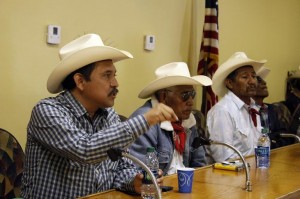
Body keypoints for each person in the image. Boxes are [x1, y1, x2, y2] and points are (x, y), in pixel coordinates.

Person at [21, 34, 178, 199]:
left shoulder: (109, 115)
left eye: (114, 75)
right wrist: (146, 119)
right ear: (80, 81)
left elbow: (121, 168)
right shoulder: (47, 111)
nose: (115, 83)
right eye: (107, 75)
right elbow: (85, 149)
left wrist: (135, 182)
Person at [129, 62, 212, 175]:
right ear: (164, 97)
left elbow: (199, 166)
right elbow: (141, 176)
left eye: (192, 94)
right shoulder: (146, 121)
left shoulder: (188, 120)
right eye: (185, 95)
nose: (191, 102)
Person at [206, 52, 266, 163]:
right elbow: (224, 158)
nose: (252, 81)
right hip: (232, 176)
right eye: (245, 77)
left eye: (253, 76)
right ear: (229, 83)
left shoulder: (253, 108)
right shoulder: (223, 111)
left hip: (254, 170)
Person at [253, 67, 293, 148]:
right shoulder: (249, 111)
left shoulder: (272, 108)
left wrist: (273, 141)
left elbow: (286, 136)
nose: (264, 82)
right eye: (259, 81)